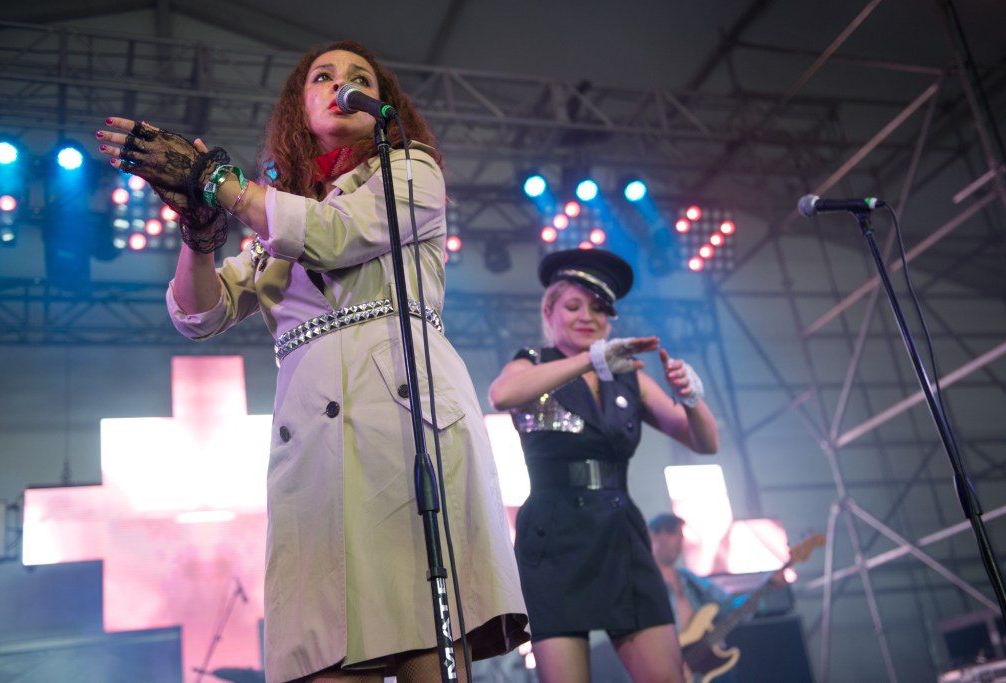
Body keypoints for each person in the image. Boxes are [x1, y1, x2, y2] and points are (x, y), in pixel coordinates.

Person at [96, 40, 528, 683]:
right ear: (299, 108)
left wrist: (218, 182)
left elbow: (334, 237)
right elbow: (199, 314)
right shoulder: (275, 224)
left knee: (425, 644)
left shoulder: (411, 173)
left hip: (409, 432)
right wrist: (199, 236)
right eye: (322, 77)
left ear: (383, 103)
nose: (341, 85)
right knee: (323, 648)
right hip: (314, 453)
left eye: (360, 77)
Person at [487, 248, 720, 683]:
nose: (586, 317)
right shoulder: (533, 362)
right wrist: (589, 361)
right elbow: (501, 395)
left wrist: (692, 398)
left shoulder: (626, 374)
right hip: (553, 539)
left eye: (598, 309)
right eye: (573, 306)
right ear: (549, 310)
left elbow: (704, 443)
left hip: (620, 536)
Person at [647, 513, 741, 683]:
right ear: (652, 536)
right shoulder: (644, 586)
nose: (679, 542)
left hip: (710, 665)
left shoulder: (690, 579)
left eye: (681, 536)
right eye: (674, 534)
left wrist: (767, 585)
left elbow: (729, 607)